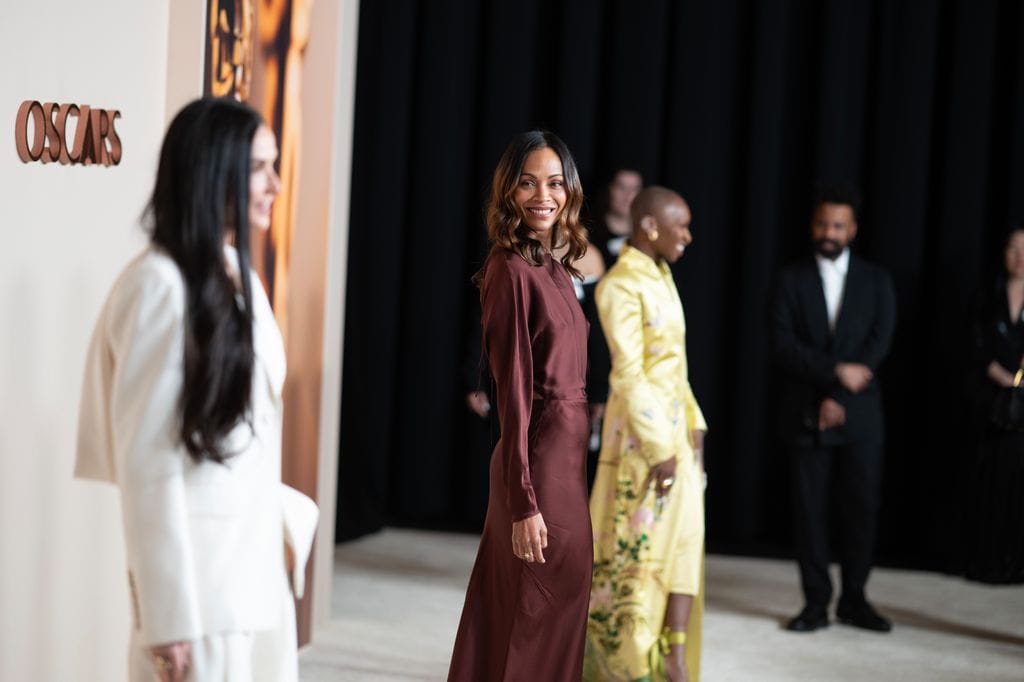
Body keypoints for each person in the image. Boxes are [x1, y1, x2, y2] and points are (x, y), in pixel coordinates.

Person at [74, 97, 318, 682]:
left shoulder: (239, 275)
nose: (276, 184)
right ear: (216, 170)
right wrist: (166, 619)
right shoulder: (159, 285)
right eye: (260, 167)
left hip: (253, 579)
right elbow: (148, 466)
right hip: (201, 596)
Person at [448, 130, 593, 680]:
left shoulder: (556, 268)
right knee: (532, 616)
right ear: (508, 191)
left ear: (570, 191)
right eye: (528, 182)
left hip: (567, 460)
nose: (543, 195)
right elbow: (511, 394)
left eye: (555, 182)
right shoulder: (508, 269)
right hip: (536, 467)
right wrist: (524, 501)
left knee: (557, 611)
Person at [586, 187, 706, 682]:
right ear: (651, 226)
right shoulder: (619, 286)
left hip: (677, 438)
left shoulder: (662, 276)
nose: (688, 237)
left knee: (684, 544)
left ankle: (672, 658)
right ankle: (626, 668)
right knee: (636, 556)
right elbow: (628, 375)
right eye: (681, 226)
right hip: (642, 442)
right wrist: (659, 448)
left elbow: (675, 368)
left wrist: (696, 426)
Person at [771, 184, 896, 634]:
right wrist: (832, 378)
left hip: (861, 415)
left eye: (838, 225)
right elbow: (784, 346)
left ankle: (855, 599)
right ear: (813, 226)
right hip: (805, 412)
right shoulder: (790, 278)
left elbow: (879, 342)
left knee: (861, 509)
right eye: (823, 223)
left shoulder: (876, 280)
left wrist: (841, 394)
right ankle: (816, 603)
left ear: (853, 229)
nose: (829, 231)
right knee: (810, 512)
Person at [965, 225, 1024, 584]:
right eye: (1013, 248)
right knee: (987, 479)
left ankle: (1016, 562)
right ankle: (982, 559)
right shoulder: (987, 296)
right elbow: (971, 342)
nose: (1020, 257)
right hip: (989, 398)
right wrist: (993, 370)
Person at [583, 169, 643, 484]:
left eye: (635, 189)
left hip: (632, 350)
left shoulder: (646, 245)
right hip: (597, 348)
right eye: (621, 187)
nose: (627, 196)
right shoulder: (588, 240)